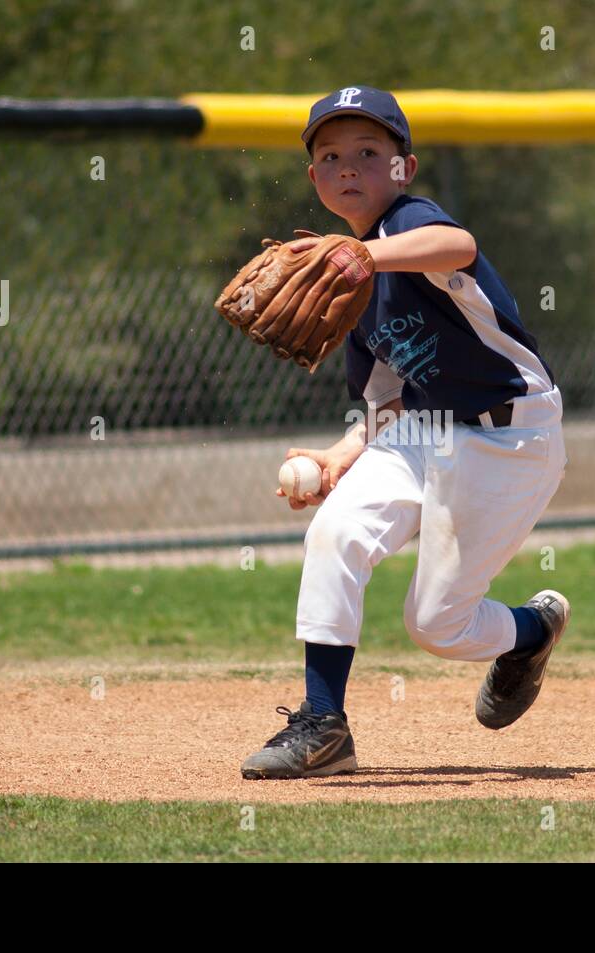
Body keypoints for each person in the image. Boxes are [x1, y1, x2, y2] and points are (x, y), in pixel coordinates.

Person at [241, 85, 569, 780]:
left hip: (512, 438)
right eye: (331, 155)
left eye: (370, 151)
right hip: (422, 430)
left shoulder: (405, 228)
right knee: (334, 531)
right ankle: (323, 724)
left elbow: (460, 243)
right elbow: (384, 404)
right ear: (315, 179)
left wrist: (367, 257)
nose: (350, 166)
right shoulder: (347, 287)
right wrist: (337, 457)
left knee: (436, 626)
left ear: (404, 169)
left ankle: (533, 629)